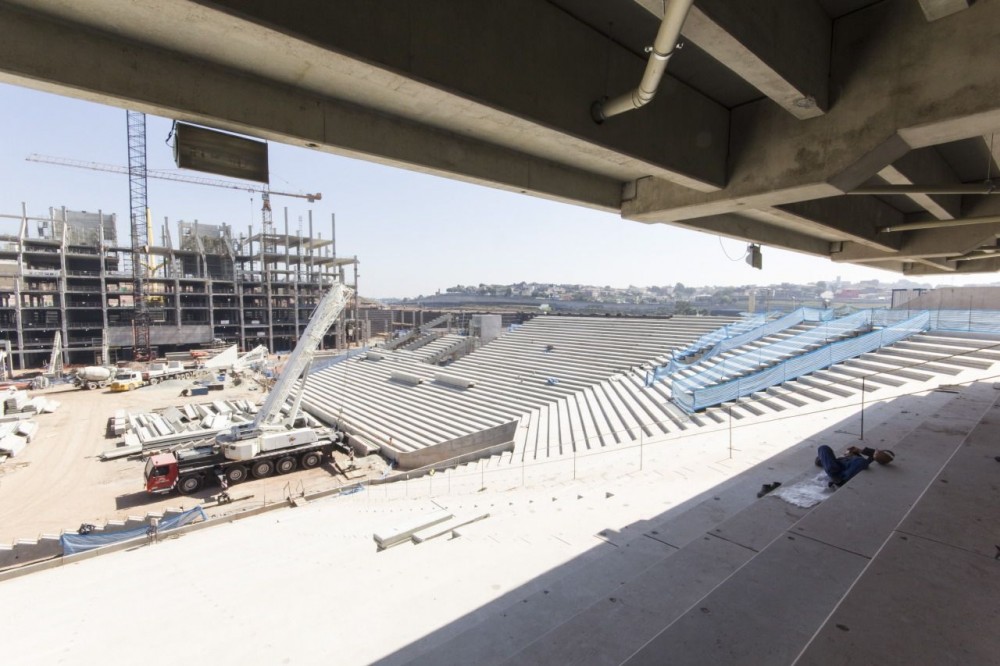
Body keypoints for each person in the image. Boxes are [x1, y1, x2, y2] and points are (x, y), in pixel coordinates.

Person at [816, 445, 894, 487]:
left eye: (879, 452)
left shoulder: (870, 462)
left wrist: (852, 457)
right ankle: (825, 462)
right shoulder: (873, 457)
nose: (877, 450)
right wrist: (856, 452)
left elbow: (859, 463)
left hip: (842, 473)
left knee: (861, 461)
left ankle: (826, 464)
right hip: (840, 463)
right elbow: (872, 453)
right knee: (823, 448)